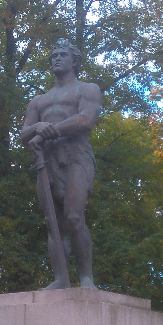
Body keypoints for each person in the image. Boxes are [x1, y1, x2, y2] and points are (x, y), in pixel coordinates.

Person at [20, 39, 102, 289]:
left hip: (76, 156)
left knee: (74, 218)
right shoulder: (39, 101)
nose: (56, 57)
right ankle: (60, 279)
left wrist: (48, 130)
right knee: (52, 223)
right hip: (47, 160)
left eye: (63, 54)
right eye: (54, 54)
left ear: (74, 61)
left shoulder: (87, 89)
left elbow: (85, 120)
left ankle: (86, 277)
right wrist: (37, 127)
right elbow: (24, 133)